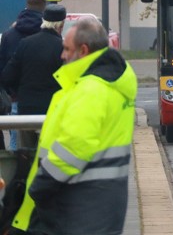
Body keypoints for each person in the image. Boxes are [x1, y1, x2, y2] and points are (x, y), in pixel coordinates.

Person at [10, 17, 138, 235]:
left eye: (67, 49)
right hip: (101, 202)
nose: (62, 55)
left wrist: (39, 186)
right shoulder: (111, 81)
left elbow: (74, 146)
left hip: (77, 203)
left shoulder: (91, 89)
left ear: (84, 50)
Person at [2, 4, 65, 147]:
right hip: (52, 111)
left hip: (26, 111)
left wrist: (18, 92)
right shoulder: (62, 48)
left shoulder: (25, 44)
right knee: (49, 156)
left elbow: (7, 76)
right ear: (61, 25)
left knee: (26, 154)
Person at [0, 0, 47, 151]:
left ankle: (16, 173)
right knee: (45, 147)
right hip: (46, 99)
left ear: (27, 7)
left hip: (17, 97)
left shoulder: (9, 34)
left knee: (17, 144)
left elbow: (4, 69)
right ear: (43, 9)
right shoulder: (50, 37)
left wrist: (11, 92)